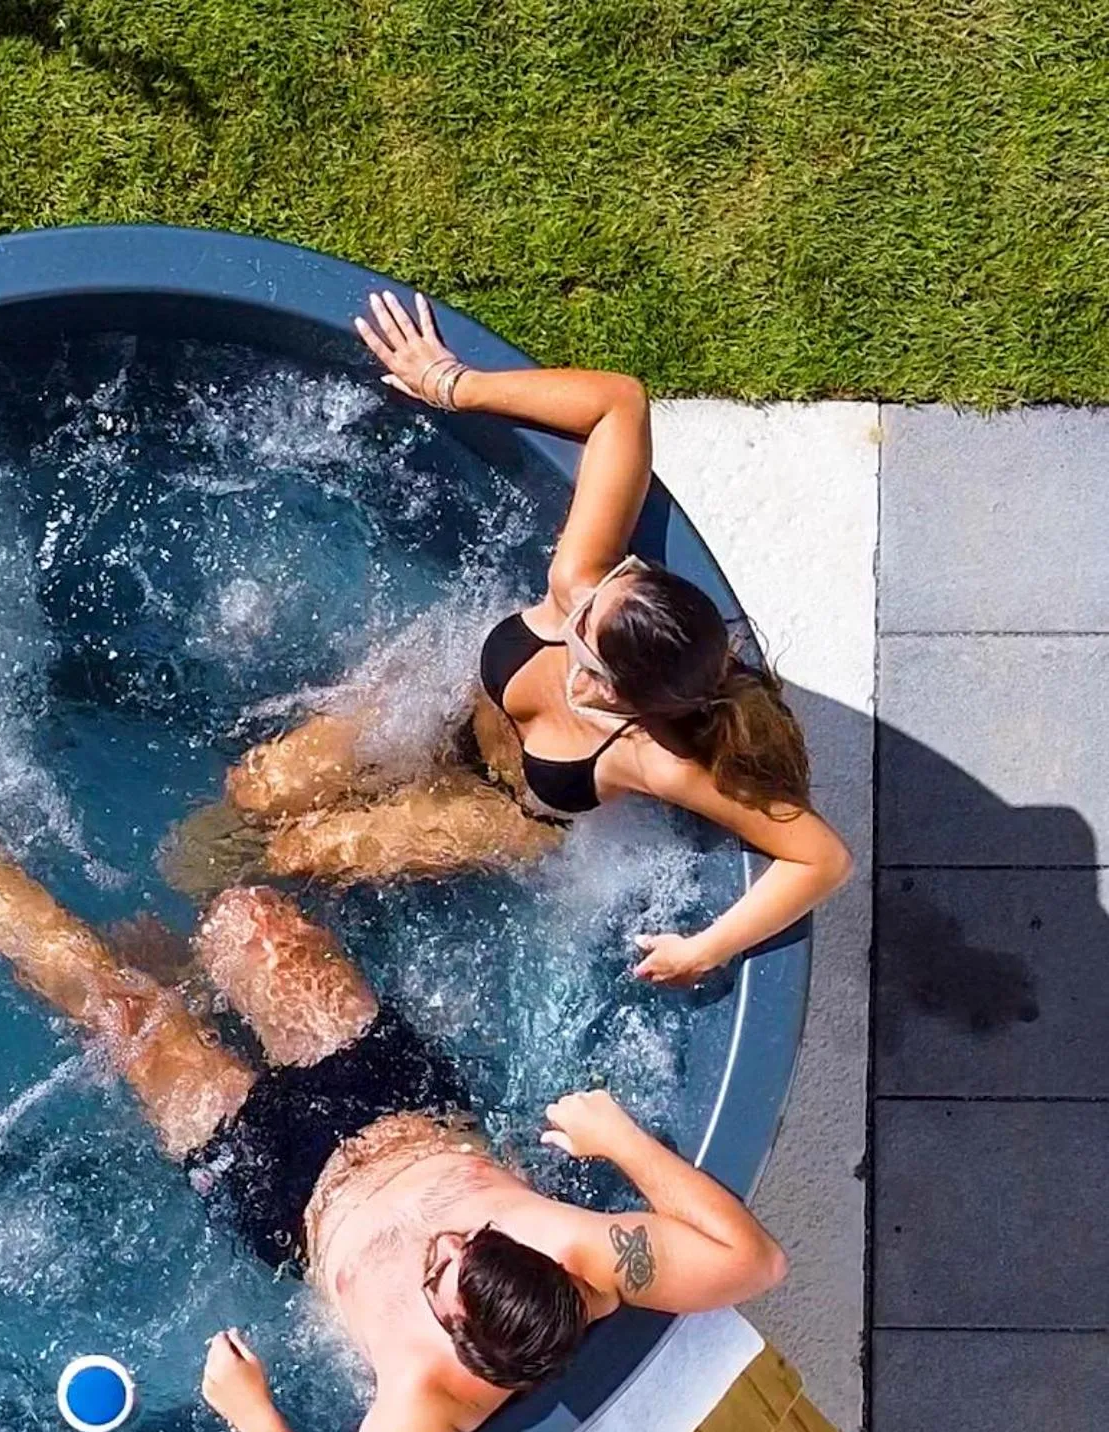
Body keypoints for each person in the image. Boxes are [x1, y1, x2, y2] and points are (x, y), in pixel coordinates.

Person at [0, 751, 787, 1432]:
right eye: (474, 1237)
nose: (445, 1240)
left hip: (283, 1192)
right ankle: (198, 972)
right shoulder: (585, 1255)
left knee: (116, 1010)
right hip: (392, 1102)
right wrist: (621, 1139)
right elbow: (752, 1262)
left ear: (456, 1334)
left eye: (440, 1272)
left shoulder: (423, 1403)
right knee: (244, 921)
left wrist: (256, 1415)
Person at [191, 290, 853, 988]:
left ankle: (207, 959)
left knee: (299, 851)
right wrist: (453, 384)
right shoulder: (582, 583)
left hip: (505, 810)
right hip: (448, 708)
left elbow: (821, 858)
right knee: (258, 792)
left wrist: (705, 947)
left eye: (586, 630)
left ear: (612, 691)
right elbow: (621, 404)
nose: (574, 602)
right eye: (606, 589)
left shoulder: (655, 761)